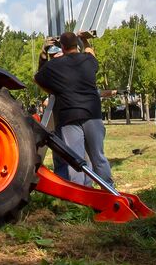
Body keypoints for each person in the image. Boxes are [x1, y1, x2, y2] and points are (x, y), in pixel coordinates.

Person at [35, 31, 113, 189]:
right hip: (93, 114)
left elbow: (38, 77)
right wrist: (84, 39)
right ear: (76, 45)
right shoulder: (88, 61)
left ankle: (80, 198)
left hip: (69, 116)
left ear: (62, 47)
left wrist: (43, 53)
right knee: (98, 156)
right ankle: (109, 191)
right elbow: (91, 52)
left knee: (75, 161)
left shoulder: (55, 65)